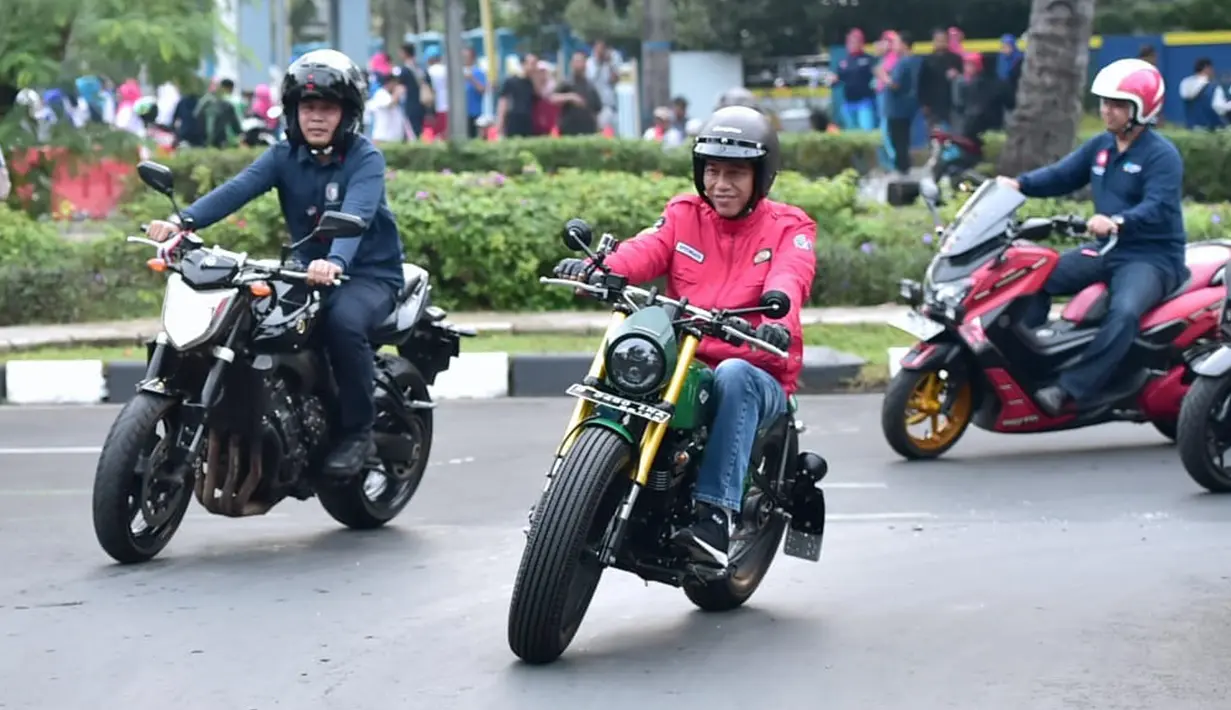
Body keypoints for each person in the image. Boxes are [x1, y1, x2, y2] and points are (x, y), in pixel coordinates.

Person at [552, 106, 817, 569]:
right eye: (712, 171)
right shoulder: (683, 215)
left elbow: (791, 275)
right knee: (630, 361)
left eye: (735, 173)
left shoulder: (790, 228)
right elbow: (644, 249)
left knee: (734, 374)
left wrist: (777, 312)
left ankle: (715, 518)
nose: (721, 185)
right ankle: (566, 498)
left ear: (762, 177)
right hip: (686, 362)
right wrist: (598, 269)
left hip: (756, 371)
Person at [144, 49, 406, 477]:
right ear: (293, 111)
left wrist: (335, 262)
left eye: (327, 108)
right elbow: (237, 189)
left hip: (368, 275)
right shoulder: (283, 156)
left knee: (342, 323)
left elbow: (356, 215)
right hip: (306, 270)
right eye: (308, 107)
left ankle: (359, 432)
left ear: (347, 114)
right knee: (252, 320)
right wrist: (181, 222)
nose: (316, 117)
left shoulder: (365, 158)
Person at [997, 58, 1186, 416]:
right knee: (1033, 278)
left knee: (1125, 312)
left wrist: (1117, 221)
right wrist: (1018, 184)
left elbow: (1157, 206)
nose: (1106, 111)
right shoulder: (1102, 146)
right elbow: (1061, 175)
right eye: (1104, 102)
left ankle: (1071, 389)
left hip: (1152, 258)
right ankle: (1031, 362)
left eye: (1117, 104)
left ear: (1141, 109)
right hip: (1108, 249)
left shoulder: (1162, 156)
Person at [883, 32, 921, 175]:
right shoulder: (916, 61)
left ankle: (902, 170)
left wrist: (883, 75)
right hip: (908, 108)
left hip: (897, 109)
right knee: (903, 140)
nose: (893, 46)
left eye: (896, 42)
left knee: (898, 141)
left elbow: (895, 84)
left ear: (904, 44)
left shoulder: (902, 62)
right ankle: (904, 168)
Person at [918, 28, 962, 131]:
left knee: (953, 132)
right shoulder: (927, 60)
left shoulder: (955, 59)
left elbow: (965, 80)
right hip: (933, 103)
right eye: (938, 40)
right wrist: (924, 104)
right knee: (934, 132)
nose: (941, 43)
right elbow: (922, 83)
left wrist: (957, 75)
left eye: (943, 40)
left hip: (951, 102)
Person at [1180, 58, 1230, 130]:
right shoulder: (1214, 88)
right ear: (1207, 69)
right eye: (1212, 69)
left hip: (1191, 129)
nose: (1213, 72)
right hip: (1209, 131)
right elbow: (1219, 108)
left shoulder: (1185, 83)